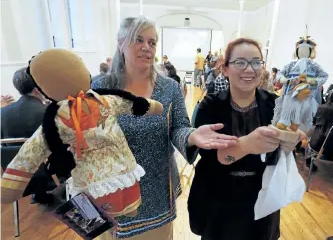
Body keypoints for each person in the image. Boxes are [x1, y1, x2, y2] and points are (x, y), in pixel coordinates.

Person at [92, 17, 238, 240]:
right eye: (138, 40)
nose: (146, 47)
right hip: (110, 192)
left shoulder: (169, 88)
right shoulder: (98, 87)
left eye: (152, 42)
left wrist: (191, 135)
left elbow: (179, 127)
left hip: (157, 191)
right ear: (121, 43)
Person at [188, 38, 305, 240]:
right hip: (219, 200)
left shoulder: (274, 104)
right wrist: (247, 144)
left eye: (256, 62)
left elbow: (283, 153)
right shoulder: (210, 106)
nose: (249, 69)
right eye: (240, 62)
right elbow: (210, 158)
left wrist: (290, 142)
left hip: (262, 198)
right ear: (224, 69)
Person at [0, 67, 55, 204]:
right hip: (43, 168)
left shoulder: (3, 113)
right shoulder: (47, 112)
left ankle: (39, 193)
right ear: (38, 87)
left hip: (15, 173)